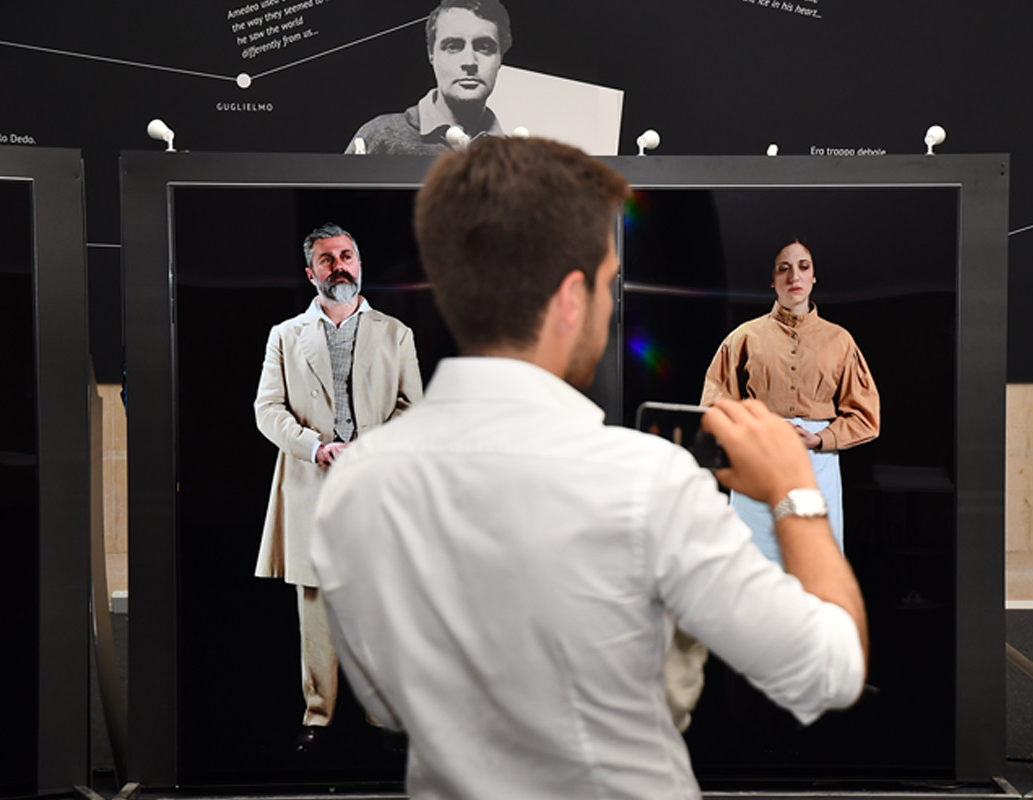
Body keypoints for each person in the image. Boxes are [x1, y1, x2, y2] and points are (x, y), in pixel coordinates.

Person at [309, 138, 868, 798]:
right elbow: (830, 672)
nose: (610, 304)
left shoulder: (352, 490)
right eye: (608, 283)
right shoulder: (653, 485)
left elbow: (387, 700)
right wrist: (795, 489)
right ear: (573, 298)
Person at [254, 222, 423, 752]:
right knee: (315, 602)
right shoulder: (286, 335)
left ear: (360, 263)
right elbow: (266, 409)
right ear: (311, 273)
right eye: (327, 259)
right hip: (311, 481)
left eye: (346, 255)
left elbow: (413, 409)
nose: (339, 266)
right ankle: (319, 716)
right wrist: (315, 446)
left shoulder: (396, 333)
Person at [701, 238, 880, 563]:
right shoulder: (743, 338)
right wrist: (749, 437)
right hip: (757, 462)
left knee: (816, 564)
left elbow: (865, 416)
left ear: (813, 277)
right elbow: (714, 407)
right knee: (753, 563)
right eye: (783, 269)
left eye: (803, 267)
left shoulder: (840, 341)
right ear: (772, 279)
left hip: (817, 465)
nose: (794, 276)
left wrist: (821, 438)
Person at [345, 0, 511, 155]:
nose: (469, 62)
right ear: (431, 54)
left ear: (500, 58)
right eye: (453, 46)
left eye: (484, 47)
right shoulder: (380, 135)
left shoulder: (513, 154)